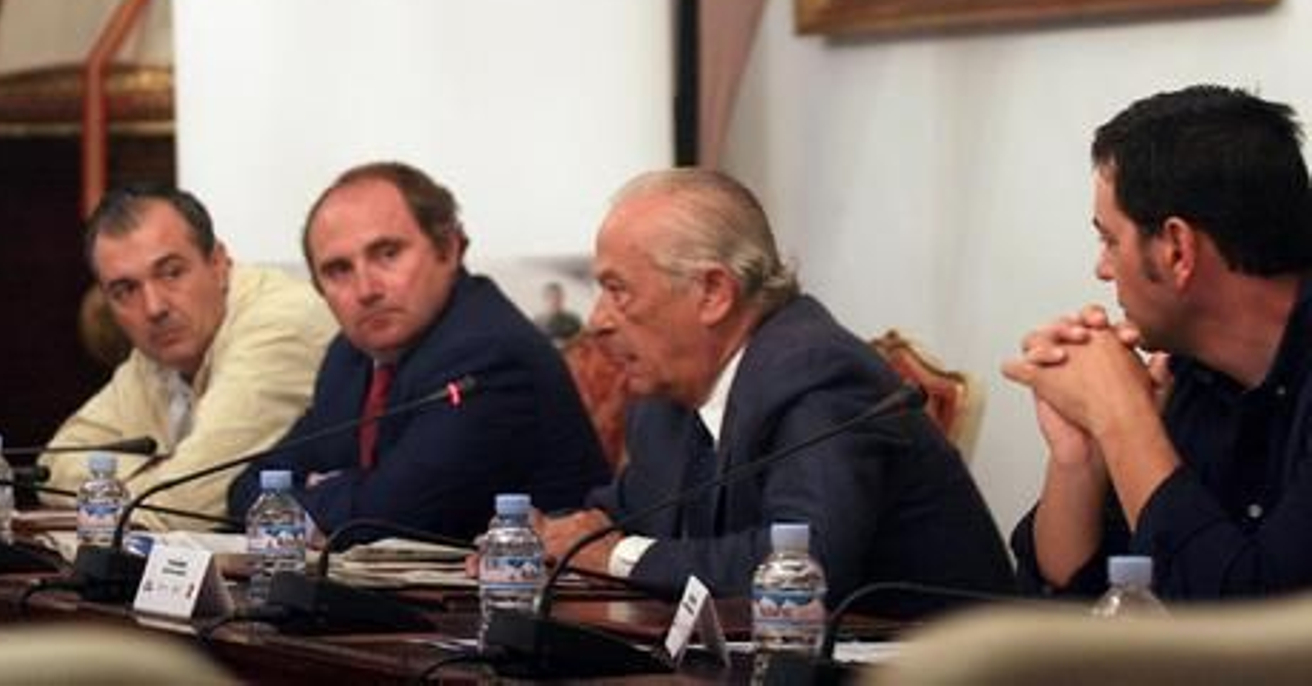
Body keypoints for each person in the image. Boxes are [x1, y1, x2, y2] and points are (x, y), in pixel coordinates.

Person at [537, 168, 1012, 615]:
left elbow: (804, 565)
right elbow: (621, 516)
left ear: (713, 293)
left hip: (940, 657)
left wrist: (618, 556)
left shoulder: (818, 374)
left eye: (618, 290)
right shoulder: (668, 393)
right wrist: (549, 535)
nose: (597, 321)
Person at [1006, 85, 1312, 600]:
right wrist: (1081, 457)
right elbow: (1075, 610)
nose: (1102, 269)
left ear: (1176, 249)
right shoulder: (1191, 374)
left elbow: (1251, 623)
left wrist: (1122, 417)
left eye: (1109, 240)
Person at [226, 162, 610, 543]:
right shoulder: (349, 358)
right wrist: (343, 490)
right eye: (339, 270)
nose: (366, 289)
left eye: (388, 253)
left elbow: (381, 517)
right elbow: (247, 491)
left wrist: (318, 489)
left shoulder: (490, 353)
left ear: (449, 248)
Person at [43, 183, 335, 527]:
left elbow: (183, 507)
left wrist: (111, 485)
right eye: (126, 290)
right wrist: (163, 472)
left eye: (171, 272)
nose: (154, 307)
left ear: (218, 263)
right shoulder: (161, 352)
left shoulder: (281, 325)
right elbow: (52, 467)